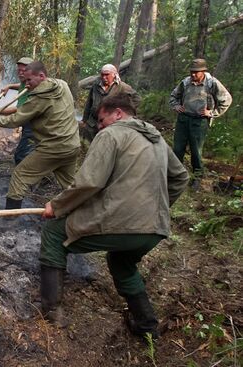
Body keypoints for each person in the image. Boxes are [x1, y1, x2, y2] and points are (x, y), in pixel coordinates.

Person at [39, 94, 189, 340]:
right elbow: (181, 177)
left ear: (117, 113)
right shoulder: (157, 139)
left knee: (54, 233)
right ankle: (147, 325)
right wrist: (156, 208)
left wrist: (57, 206)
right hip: (155, 230)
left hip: (124, 226)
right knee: (121, 263)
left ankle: (51, 312)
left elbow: (90, 182)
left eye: (101, 119)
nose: (99, 126)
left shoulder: (111, 134)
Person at [0, 61, 80, 210]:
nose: (26, 84)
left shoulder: (39, 97)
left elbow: (17, 119)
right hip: (72, 145)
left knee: (19, 176)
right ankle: (82, 212)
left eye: (29, 80)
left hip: (53, 147)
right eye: (25, 80)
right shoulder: (62, 84)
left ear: (42, 76)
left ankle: (10, 218)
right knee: (71, 185)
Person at [169, 58, 232, 190]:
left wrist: (212, 113)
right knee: (177, 149)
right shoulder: (185, 82)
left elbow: (226, 99)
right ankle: (174, 176)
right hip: (183, 119)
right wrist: (176, 106)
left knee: (196, 152)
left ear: (203, 71)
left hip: (199, 121)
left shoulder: (211, 83)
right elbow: (174, 95)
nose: (193, 74)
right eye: (192, 71)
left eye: (196, 72)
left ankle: (197, 177)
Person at [0, 57, 38, 164]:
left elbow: (19, 109)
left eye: (24, 71)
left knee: (21, 155)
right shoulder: (26, 82)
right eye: (19, 70)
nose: (20, 73)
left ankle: (24, 175)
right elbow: (21, 85)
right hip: (28, 124)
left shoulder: (33, 88)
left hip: (33, 126)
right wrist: (9, 86)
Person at [81, 64, 141, 141]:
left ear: (114, 74)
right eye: (102, 74)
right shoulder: (96, 86)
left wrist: (124, 111)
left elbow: (137, 99)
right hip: (93, 123)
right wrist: (84, 119)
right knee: (91, 143)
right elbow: (89, 103)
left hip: (110, 124)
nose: (104, 77)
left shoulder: (122, 87)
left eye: (107, 74)